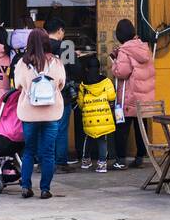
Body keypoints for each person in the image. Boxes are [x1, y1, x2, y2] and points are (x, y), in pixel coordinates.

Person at [13, 28, 66, 199]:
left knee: (29, 151)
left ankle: (26, 187)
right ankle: (45, 189)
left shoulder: (23, 63)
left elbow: (17, 86)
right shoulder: (56, 62)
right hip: (51, 114)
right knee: (48, 152)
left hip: (29, 114)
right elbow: (61, 84)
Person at [110, 19, 156, 168]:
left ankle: (121, 159)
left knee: (122, 127)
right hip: (144, 96)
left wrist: (114, 61)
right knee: (141, 127)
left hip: (128, 97)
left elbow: (121, 72)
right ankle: (140, 157)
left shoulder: (124, 50)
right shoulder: (144, 48)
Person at [43, 17, 78, 172]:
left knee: (43, 128)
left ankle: (43, 161)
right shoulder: (65, 46)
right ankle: (60, 162)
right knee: (61, 128)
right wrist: (75, 56)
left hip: (41, 93)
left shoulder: (39, 46)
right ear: (60, 30)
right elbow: (75, 70)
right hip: (62, 93)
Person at [77, 56, 117, 173]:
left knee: (88, 137)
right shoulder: (106, 81)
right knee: (102, 139)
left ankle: (85, 161)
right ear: (99, 68)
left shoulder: (83, 84)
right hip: (103, 117)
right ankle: (102, 164)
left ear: (87, 69)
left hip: (89, 117)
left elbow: (80, 103)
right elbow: (111, 97)